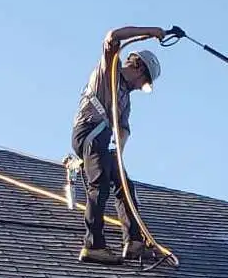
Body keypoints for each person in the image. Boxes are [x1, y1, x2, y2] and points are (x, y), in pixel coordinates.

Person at [69, 25, 177, 263]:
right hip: (89, 134)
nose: (141, 86)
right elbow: (112, 37)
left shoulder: (125, 98)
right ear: (137, 66)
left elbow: (123, 130)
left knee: (124, 185)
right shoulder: (110, 69)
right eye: (143, 80)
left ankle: (134, 242)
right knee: (99, 186)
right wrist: (152, 31)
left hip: (105, 140)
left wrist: (118, 157)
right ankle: (93, 245)